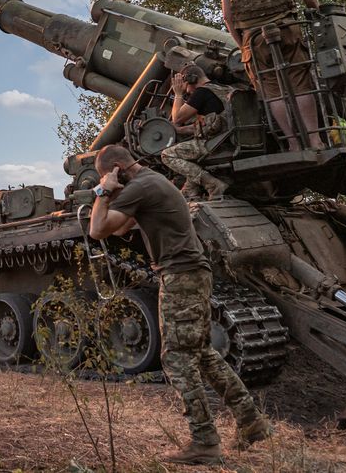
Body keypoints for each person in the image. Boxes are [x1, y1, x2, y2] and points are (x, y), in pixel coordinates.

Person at [88, 144, 272, 466]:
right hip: (192, 273)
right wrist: (114, 194)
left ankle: (204, 442)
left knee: (176, 359)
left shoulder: (142, 186)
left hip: (180, 276)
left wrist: (103, 190)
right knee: (201, 354)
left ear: (116, 168)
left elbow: (96, 229)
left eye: (106, 173)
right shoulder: (152, 182)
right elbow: (118, 227)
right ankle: (251, 421)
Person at [219, 0, 323, 151]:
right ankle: (315, 140)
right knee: (301, 84)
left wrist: (243, 45)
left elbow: (227, 17)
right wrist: (319, 15)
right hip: (287, 29)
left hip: (253, 39)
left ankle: (293, 143)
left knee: (272, 91)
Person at [161, 64, 229, 199]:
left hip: (217, 144)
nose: (188, 93)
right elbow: (214, 124)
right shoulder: (223, 89)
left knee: (167, 154)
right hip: (228, 138)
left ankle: (212, 185)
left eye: (186, 89)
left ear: (192, 79)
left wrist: (178, 94)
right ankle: (189, 190)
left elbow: (177, 118)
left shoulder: (201, 92)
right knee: (192, 152)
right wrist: (181, 131)